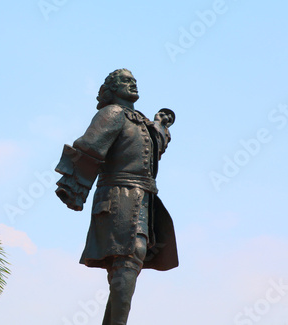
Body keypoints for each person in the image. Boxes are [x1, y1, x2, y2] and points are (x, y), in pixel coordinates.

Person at [55, 68, 178, 325]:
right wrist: (74, 186)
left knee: (132, 259)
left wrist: (160, 126)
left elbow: (151, 152)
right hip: (117, 195)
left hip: (143, 196)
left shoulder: (141, 121)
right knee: (129, 255)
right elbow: (89, 147)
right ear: (112, 89)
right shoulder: (112, 113)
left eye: (134, 80)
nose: (132, 84)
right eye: (125, 81)